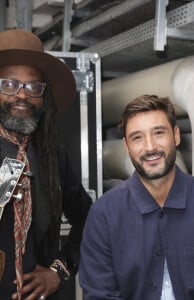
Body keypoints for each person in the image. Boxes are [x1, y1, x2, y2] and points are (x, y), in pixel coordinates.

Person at [79, 94, 194, 299]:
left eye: (158, 133)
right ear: (126, 146)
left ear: (175, 135)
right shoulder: (103, 215)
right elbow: (99, 295)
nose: (150, 147)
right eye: (137, 137)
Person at [0, 29, 92, 300]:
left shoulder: (53, 157)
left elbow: (89, 218)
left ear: (43, 97)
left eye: (33, 87)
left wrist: (60, 271)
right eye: (9, 84)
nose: (22, 95)